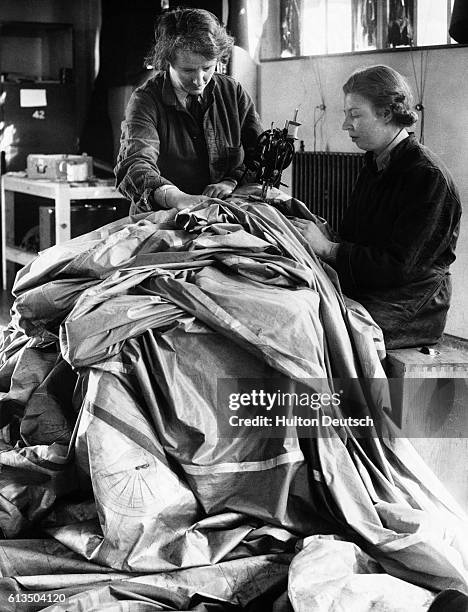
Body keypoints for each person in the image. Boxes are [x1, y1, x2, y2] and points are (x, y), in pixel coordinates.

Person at [291, 65, 461, 349]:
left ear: (386, 113)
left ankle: (341, 395)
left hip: (413, 302)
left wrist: (330, 249)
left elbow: (399, 267)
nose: (346, 125)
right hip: (381, 288)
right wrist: (328, 235)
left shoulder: (427, 176)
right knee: (294, 301)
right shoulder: (376, 161)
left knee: (317, 326)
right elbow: (360, 237)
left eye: (355, 115)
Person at [114, 7, 263, 214]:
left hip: (225, 211)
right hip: (161, 217)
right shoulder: (145, 100)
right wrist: (177, 198)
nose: (199, 80)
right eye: (188, 70)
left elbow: (261, 155)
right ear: (167, 62)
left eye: (207, 68)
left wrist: (232, 181)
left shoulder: (233, 92)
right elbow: (135, 164)